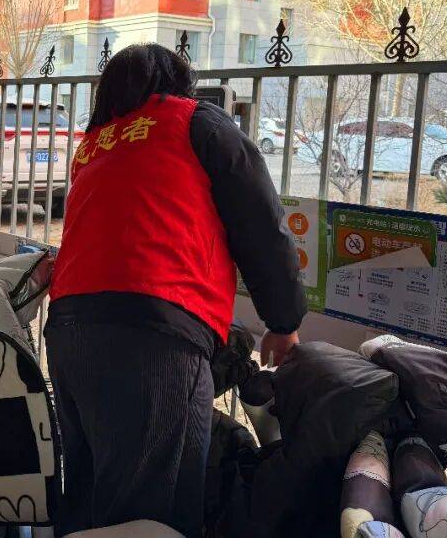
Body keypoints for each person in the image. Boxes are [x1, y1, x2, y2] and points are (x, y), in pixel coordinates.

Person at [45, 43, 306, 537]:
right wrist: (283, 321)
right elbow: (260, 223)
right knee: (153, 516)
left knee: (89, 496)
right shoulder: (195, 122)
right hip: (153, 340)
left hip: (67, 333)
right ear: (176, 84)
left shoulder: (95, 144)